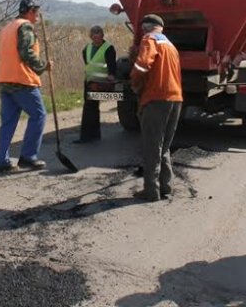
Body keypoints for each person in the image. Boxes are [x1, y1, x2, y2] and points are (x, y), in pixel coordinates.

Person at [129, 14, 183, 202]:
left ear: (146, 27)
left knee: (152, 145)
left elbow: (143, 65)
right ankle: (167, 187)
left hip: (156, 98)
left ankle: (151, 191)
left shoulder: (149, 39)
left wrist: (135, 83)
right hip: (175, 99)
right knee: (164, 145)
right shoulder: (170, 45)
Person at [0, 0, 52, 173]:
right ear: (30, 11)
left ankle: (2, 161)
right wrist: (43, 66)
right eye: (36, 12)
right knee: (39, 115)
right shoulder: (25, 26)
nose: (37, 17)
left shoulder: (7, 28)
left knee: (8, 122)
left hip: (5, 79)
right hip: (22, 80)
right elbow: (26, 52)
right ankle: (28, 157)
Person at [73, 25, 117, 144]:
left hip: (101, 84)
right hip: (89, 82)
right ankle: (92, 136)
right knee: (90, 108)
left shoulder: (108, 48)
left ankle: (87, 137)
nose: (96, 39)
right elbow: (88, 63)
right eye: (94, 37)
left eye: (98, 36)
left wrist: (111, 76)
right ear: (91, 37)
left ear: (102, 36)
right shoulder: (86, 48)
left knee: (90, 108)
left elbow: (112, 66)